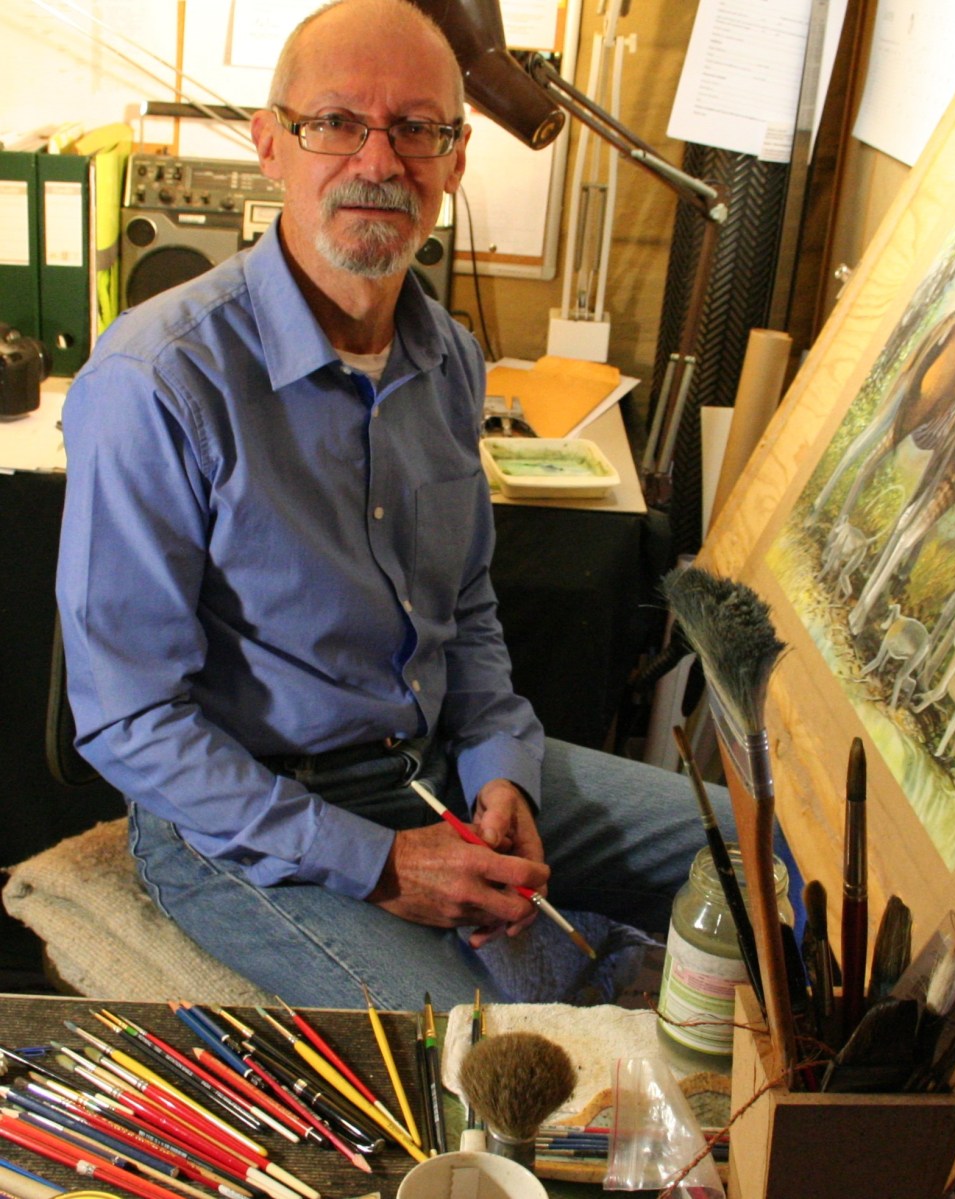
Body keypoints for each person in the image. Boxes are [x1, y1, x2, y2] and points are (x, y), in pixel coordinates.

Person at [56, 0, 735, 1012]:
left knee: (768, 852)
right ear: (270, 143)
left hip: (431, 765)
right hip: (237, 817)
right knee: (475, 1053)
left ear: (455, 159)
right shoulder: (158, 379)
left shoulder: (449, 359)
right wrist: (379, 863)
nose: (380, 159)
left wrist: (502, 767)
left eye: (417, 128)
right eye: (336, 122)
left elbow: (463, 615)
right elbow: (130, 719)